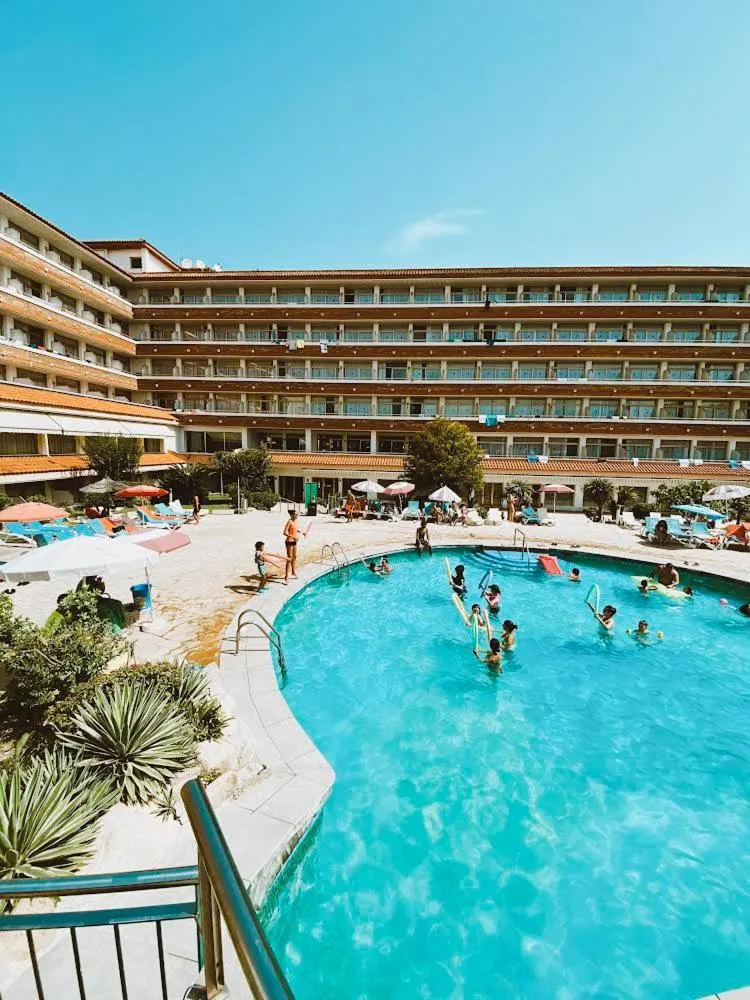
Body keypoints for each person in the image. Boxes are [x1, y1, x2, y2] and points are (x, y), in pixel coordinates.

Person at [283, 511, 301, 582]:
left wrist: (297, 531)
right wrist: (293, 537)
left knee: (294, 557)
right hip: (289, 542)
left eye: (297, 514)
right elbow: (284, 532)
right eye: (295, 514)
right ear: (292, 515)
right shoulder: (289, 521)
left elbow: (292, 529)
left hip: (294, 541)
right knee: (289, 559)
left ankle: (293, 572)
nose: (296, 515)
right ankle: (286, 576)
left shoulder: (295, 522)